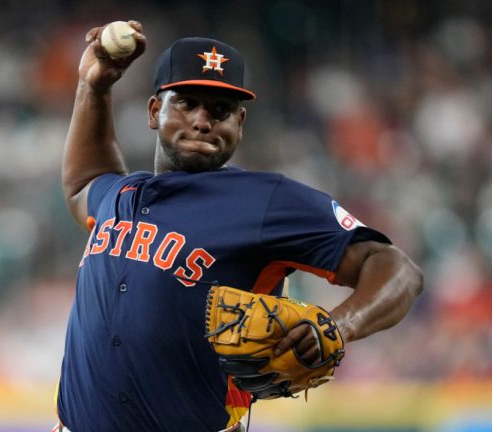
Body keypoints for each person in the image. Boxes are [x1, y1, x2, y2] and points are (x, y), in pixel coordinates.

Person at [53, 20, 423, 432]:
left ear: (240, 124)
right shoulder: (124, 196)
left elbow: (396, 268)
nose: (202, 120)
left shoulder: (265, 200)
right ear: (155, 111)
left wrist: (340, 324)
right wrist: (94, 86)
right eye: (187, 102)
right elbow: (85, 183)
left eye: (220, 111)